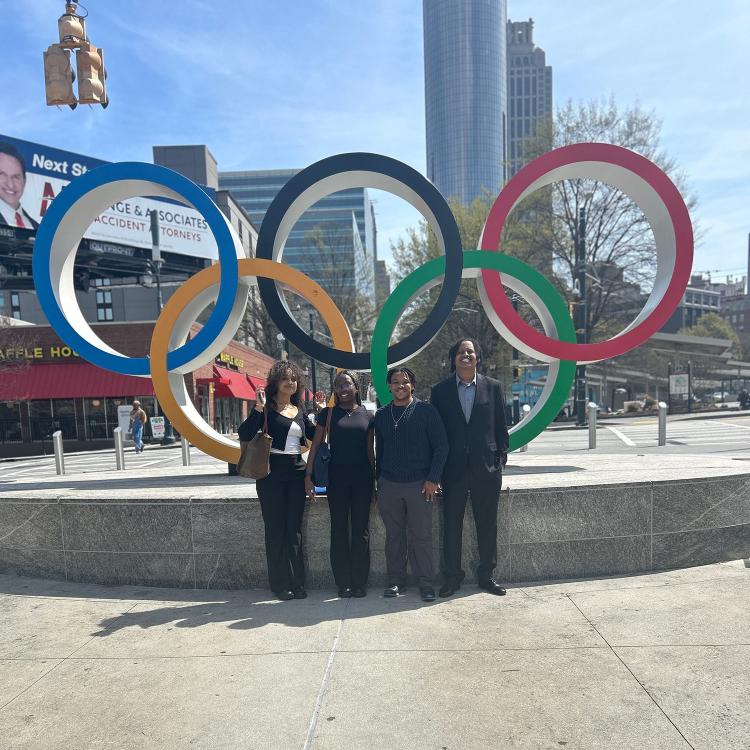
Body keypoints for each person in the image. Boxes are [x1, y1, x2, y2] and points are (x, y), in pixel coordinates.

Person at [430, 338, 509, 598]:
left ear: (477, 358)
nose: (466, 355)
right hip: (452, 472)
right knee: (451, 526)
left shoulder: (493, 387)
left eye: (471, 352)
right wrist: (436, 471)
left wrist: (499, 460)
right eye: (462, 352)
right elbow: (437, 434)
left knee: (487, 524)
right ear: (454, 359)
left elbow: (500, 426)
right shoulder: (440, 391)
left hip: (485, 469)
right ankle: (452, 577)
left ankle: (487, 575)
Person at [238, 360, 316, 601]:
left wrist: (322, 413)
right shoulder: (267, 409)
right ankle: (280, 585)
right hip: (270, 473)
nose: (290, 382)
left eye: (294, 379)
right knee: (275, 530)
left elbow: (314, 435)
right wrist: (258, 410)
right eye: (285, 379)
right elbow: (245, 434)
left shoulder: (300, 410)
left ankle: (297, 582)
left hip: (296, 471)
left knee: (294, 530)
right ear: (276, 383)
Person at [373, 366, 448, 602]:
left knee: (421, 536)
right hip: (389, 486)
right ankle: (395, 581)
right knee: (394, 537)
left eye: (405, 382)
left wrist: (433, 479)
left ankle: (426, 583)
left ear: (412, 385)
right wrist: (379, 482)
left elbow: (441, 447)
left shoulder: (427, 411)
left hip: (420, 485)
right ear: (389, 386)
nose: (400, 386)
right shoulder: (382, 415)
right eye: (395, 382)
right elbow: (380, 450)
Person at [305, 370, 375, 598]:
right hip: (337, 479)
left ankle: (359, 582)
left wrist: (375, 481)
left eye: (346, 384)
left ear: (355, 387)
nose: (342, 389)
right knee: (339, 530)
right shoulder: (328, 413)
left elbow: (370, 451)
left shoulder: (367, 414)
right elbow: (315, 446)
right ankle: (343, 582)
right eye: (338, 386)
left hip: (362, 479)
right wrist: (308, 476)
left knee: (361, 531)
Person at [0, 142, 39, 230]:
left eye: (16, 177)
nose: (10, 184)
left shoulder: (38, 229)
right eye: (2, 174)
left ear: (24, 181)